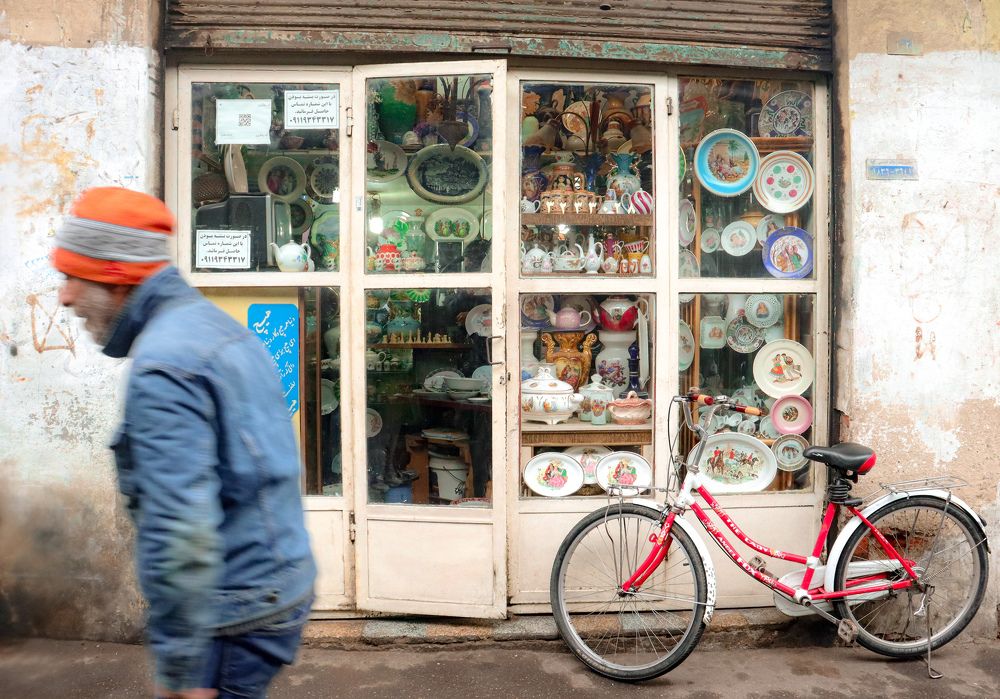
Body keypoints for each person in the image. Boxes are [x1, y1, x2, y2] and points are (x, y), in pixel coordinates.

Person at [52, 187, 316, 699]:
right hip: (277, 582)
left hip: (236, 612)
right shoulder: (215, 326)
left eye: (71, 276)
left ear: (114, 276)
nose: (64, 296)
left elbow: (180, 531)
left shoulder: (163, 366)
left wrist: (181, 669)